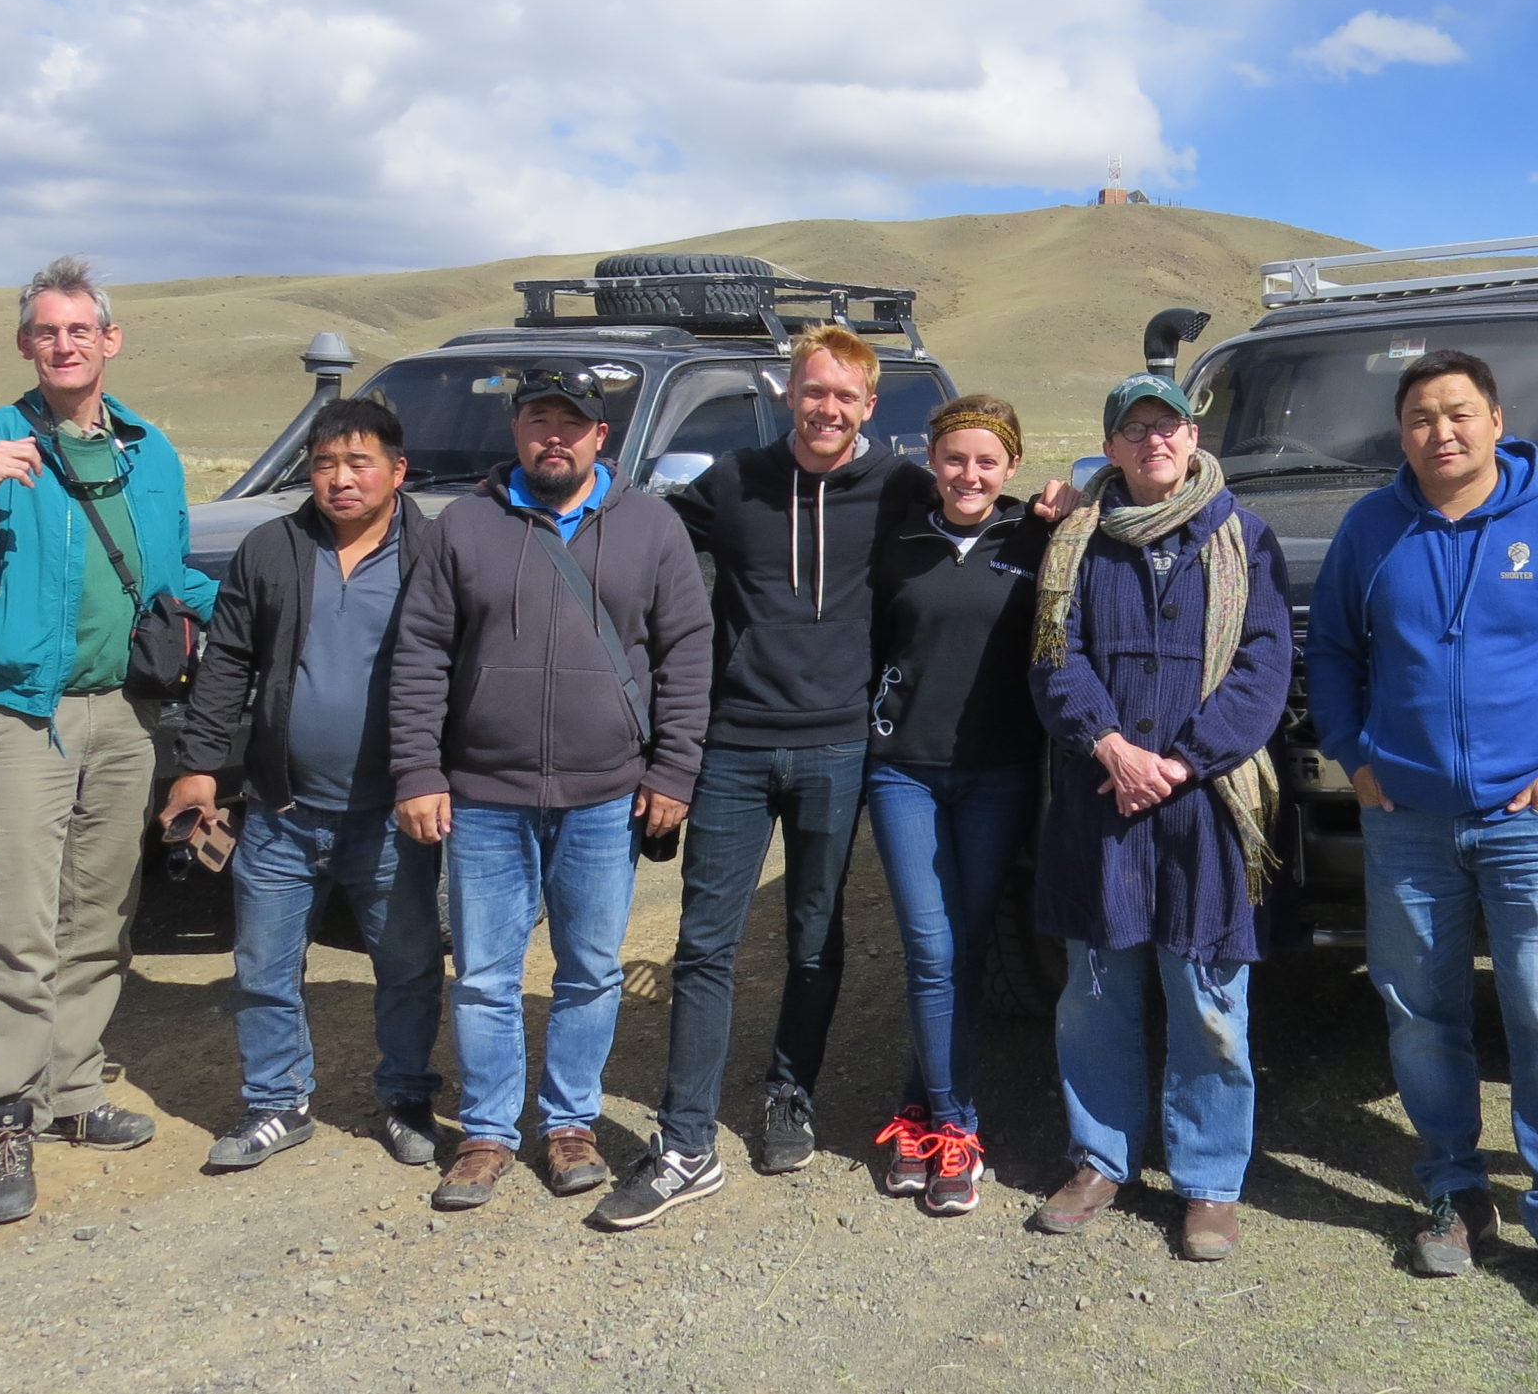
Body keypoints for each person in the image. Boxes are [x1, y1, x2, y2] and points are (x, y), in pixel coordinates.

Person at [0, 256, 218, 1226]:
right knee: (16, 916)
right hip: (24, 714)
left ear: (110, 340)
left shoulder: (152, 452)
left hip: (125, 715)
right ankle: (8, 1115)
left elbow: (170, 576)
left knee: (102, 909)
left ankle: (72, 1092)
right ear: (26, 344)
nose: (64, 344)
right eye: (46, 331)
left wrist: (261, 611)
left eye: (81, 329)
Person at [1306, 350, 1538, 1309]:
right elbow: (1332, 649)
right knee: (1421, 1019)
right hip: (1406, 819)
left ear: (1498, 417)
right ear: (1399, 431)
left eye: (1457, 413)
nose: (1439, 432)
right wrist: (1353, 758)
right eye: (1418, 417)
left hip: (1532, 820)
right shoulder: (1370, 529)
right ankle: (1454, 1190)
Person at [591, 324, 936, 1229]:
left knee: (816, 938)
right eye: (812, 390)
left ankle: (790, 1092)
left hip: (837, 745)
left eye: (845, 396)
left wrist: (1060, 503)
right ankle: (686, 1136)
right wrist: (526, 504)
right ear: (791, 391)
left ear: (869, 405)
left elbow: (979, 513)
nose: (826, 408)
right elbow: (638, 526)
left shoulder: (902, 488)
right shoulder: (734, 482)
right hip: (733, 745)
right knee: (705, 943)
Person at [387, 369, 713, 1211]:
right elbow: (420, 654)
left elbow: (686, 652)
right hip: (484, 792)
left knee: (590, 968)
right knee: (487, 972)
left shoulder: (652, 527)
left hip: (606, 792)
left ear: (601, 435)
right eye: (539, 421)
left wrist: (675, 769)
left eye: (572, 423)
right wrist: (419, 769)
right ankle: (489, 1131)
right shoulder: (461, 525)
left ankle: (570, 1121)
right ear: (517, 431)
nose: (554, 437)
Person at [1025, 373, 1293, 1262]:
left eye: (1167, 425)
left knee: (1209, 996)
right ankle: (1100, 1157)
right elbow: (1055, 661)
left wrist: (1180, 760)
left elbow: (1263, 667)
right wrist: (1111, 747)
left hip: (1206, 800)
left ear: (1193, 436)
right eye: (1134, 428)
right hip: (1102, 795)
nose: (1153, 441)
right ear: (1110, 447)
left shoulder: (1244, 538)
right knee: (1095, 991)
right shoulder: (1076, 544)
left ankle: (1210, 1181)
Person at [166, 397, 446, 1172]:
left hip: (393, 813)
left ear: (398, 470)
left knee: (407, 966)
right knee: (262, 964)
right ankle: (276, 1102)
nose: (341, 479)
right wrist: (198, 766)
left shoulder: (435, 550)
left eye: (359, 462)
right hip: (282, 810)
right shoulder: (271, 549)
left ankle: (406, 1096)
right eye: (325, 463)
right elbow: (226, 664)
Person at [860, 395, 1052, 1217]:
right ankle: (956, 1128)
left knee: (966, 947)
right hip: (903, 770)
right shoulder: (895, 539)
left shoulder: (1036, 539)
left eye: (986, 460)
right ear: (930, 460)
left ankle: (914, 1108)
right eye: (953, 458)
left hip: (999, 771)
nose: (968, 474)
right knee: (931, 945)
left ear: (1010, 467)